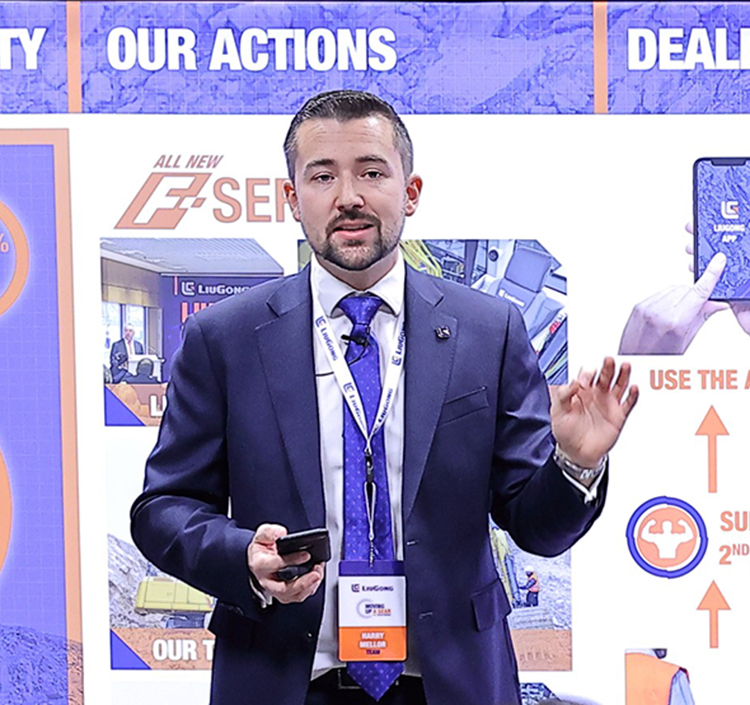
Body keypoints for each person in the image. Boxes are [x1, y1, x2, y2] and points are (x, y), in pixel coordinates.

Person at [130, 90, 638, 705]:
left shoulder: (489, 331)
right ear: (292, 198)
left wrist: (575, 463)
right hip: (284, 680)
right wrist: (244, 558)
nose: (349, 196)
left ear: (411, 191)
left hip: (450, 687)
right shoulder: (225, 339)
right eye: (323, 176)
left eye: (371, 172)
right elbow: (164, 507)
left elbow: (537, 529)